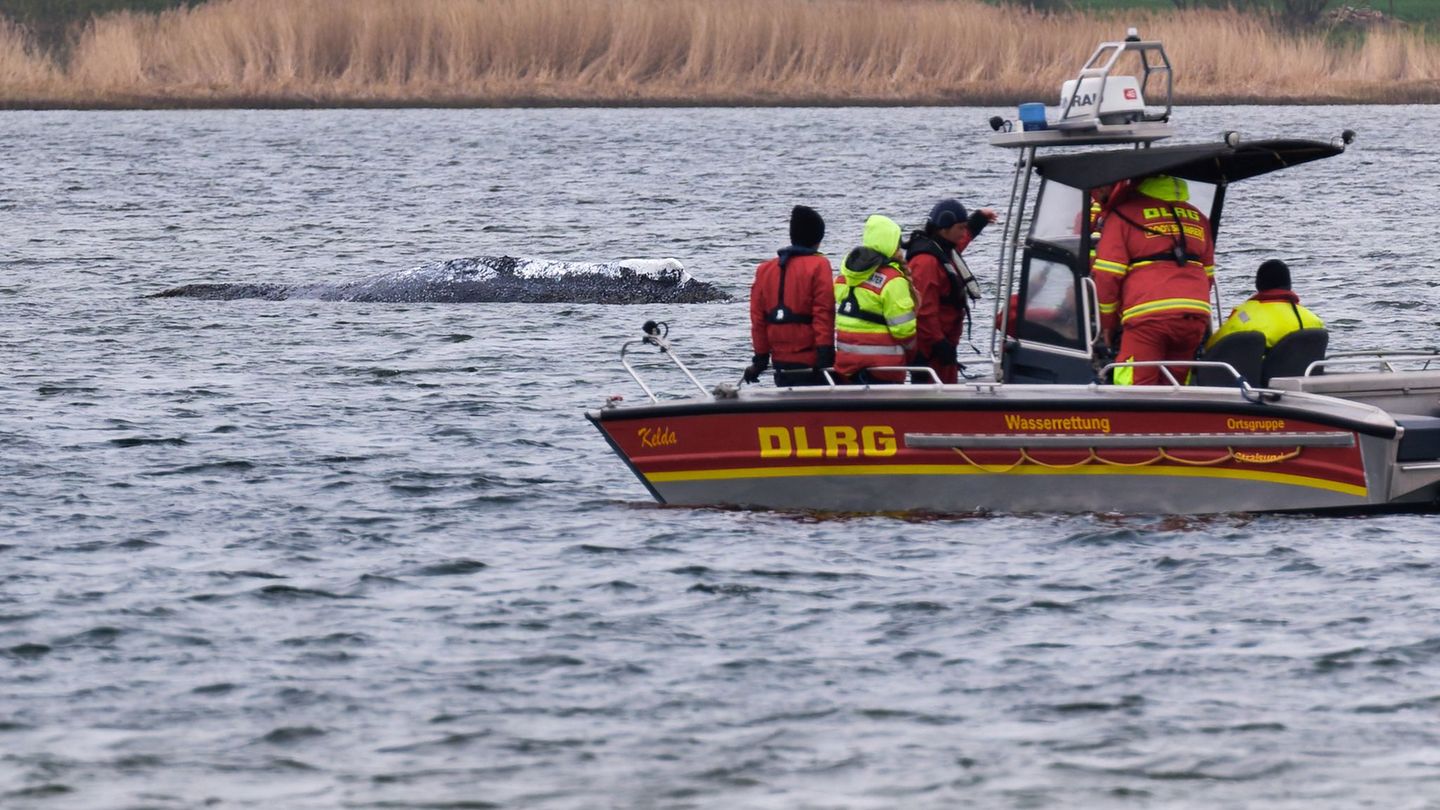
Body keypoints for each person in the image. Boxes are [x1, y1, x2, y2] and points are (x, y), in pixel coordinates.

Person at [1092, 174, 1215, 385]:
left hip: (1147, 315)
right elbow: (1208, 274)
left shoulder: (1122, 215)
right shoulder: (1198, 217)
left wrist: (1107, 324)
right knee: (1175, 386)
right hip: (1194, 315)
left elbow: (1107, 275)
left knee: (1135, 383)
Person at [904, 198, 995, 383]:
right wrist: (939, 343)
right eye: (960, 228)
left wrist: (978, 221)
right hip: (931, 349)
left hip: (944, 344)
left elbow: (960, 242)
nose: (963, 233)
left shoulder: (942, 249)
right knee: (934, 393)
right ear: (944, 228)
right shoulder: (926, 262)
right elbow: (924, 311)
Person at [744, 206, 837, 386]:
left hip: (781, 365)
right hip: (812, 363)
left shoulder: (764, 270)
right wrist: (825, 356)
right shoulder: (819, 265)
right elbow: (823, 314)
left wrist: (760, 360)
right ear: (818, 238)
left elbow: (758, 320)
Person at [833, 214, 917, 384]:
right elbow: (904, 330)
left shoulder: (846, 274)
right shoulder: (893, 280)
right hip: (884, 370)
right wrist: (915, 355)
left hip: (846, 367)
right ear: (891, 245)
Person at [1206, 259, 1324, 350]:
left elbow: (1212, 346)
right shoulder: (1314, 321)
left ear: (1258, 284)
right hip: (1303, 373)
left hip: (1256, 375)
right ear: (1289, 285)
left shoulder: (1244, 317)